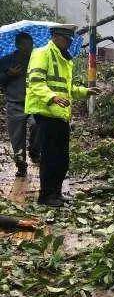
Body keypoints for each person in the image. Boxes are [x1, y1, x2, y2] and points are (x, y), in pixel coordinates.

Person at [25, 25, 98, 207]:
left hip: (61, 115)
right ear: (56, 37)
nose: (69, 43)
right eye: (66, 39)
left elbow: (67, 89)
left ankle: (56, 193)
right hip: (45, 113)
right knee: (49, 157)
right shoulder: (42, 54)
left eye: (70, 40)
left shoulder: (65, 60)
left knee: (62, 158)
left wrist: (85, 91)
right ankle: (46, 196)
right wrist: (53, 97)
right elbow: (36, 82)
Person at [0, 33, 39, 177]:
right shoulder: (6, 61)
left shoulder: (36, 59)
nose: (29, 48)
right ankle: (21, 165)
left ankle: (34, 151)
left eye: (31, 44)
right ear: (18, 45)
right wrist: (8, 74)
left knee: (37, 126)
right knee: (17, 138)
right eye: (26, 45)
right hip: (15, 104)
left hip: (34, 102)